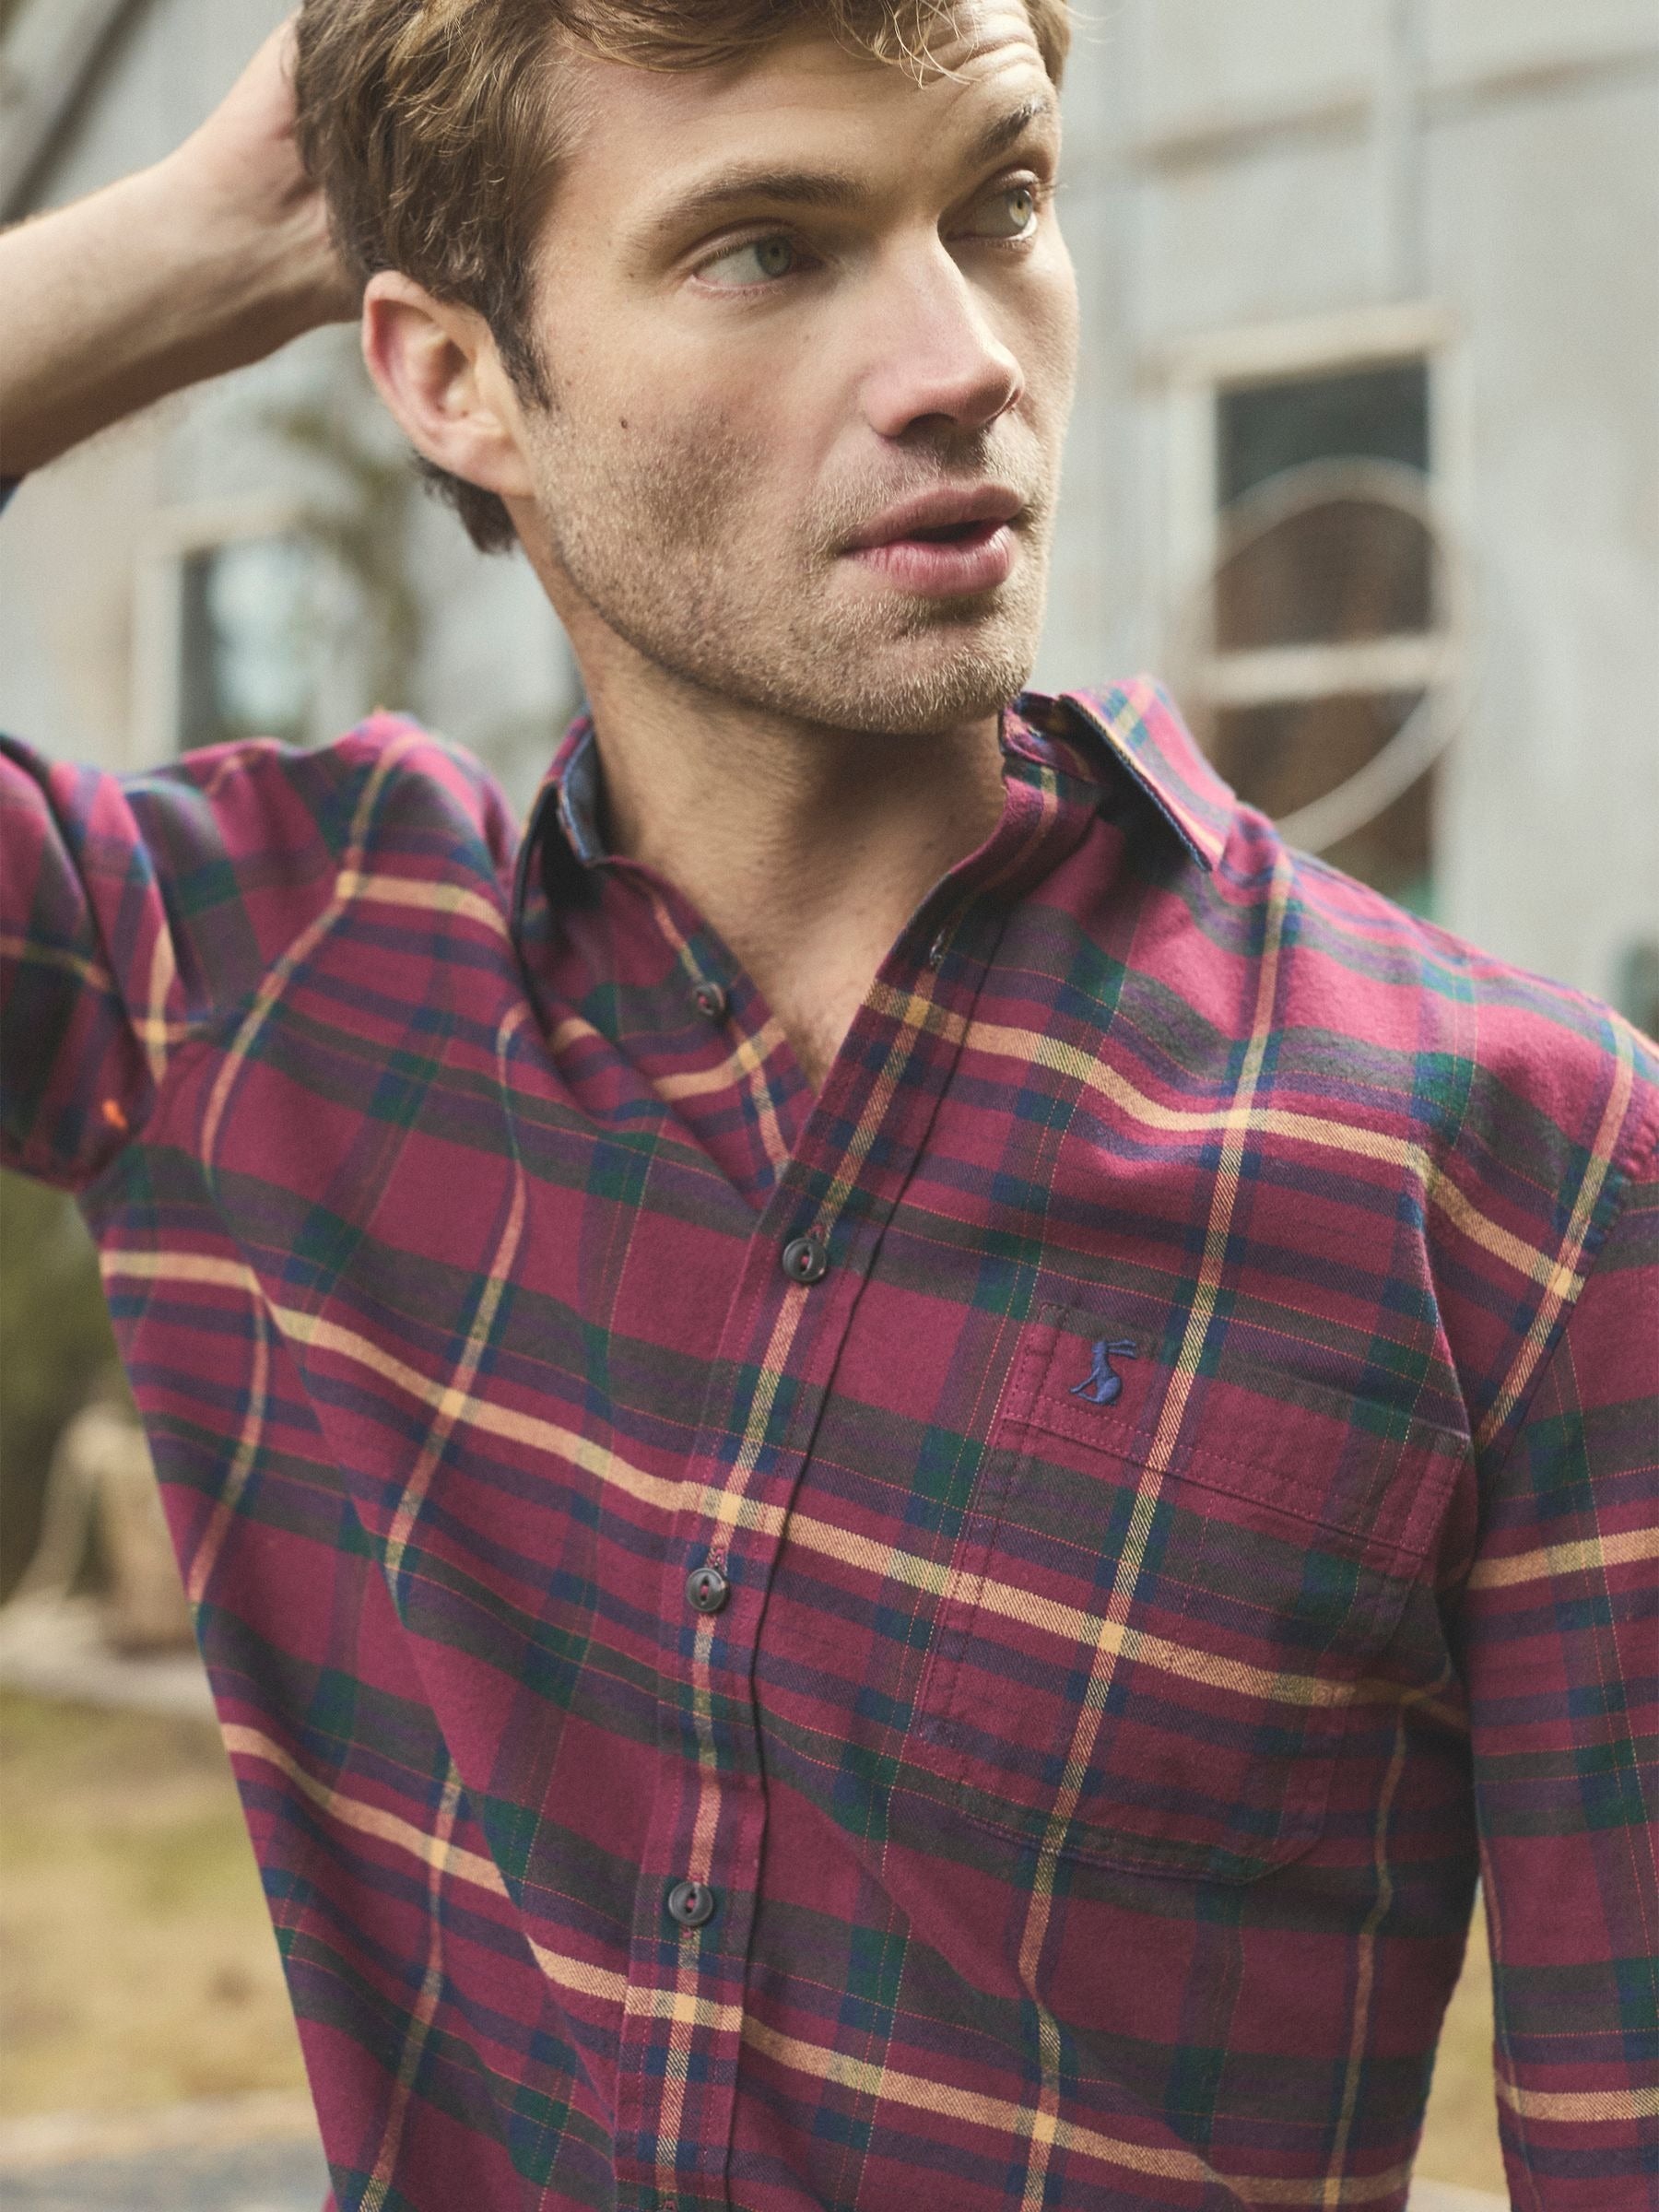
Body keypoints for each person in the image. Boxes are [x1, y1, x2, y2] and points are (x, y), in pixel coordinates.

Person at [1, 6, 1653, 2206]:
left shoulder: (1521, 1174)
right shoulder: (268, 982)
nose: (961, 359)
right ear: (453, 378)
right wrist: (201, 242)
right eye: (768, 248)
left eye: (1003, 202)